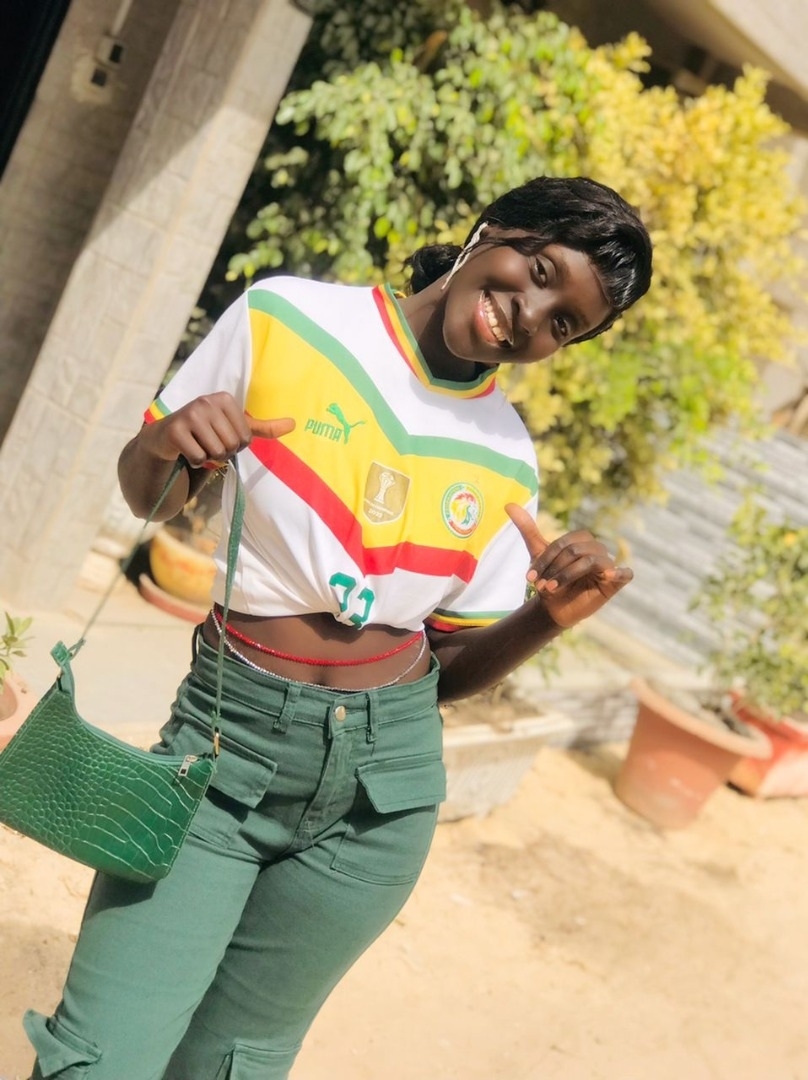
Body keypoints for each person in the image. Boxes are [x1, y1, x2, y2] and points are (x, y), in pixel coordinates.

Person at [26, 175, 652, 1079]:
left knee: (235, 1065)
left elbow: (447, 668)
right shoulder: (289, 320)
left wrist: (546, 618)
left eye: (565, 323)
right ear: (493, 229)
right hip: (226, 750)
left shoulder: (506, 454)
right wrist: (169, 441)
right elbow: (150, 497)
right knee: (99, 1058)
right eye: (541, 270)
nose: (530, 313)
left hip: (381, 797)